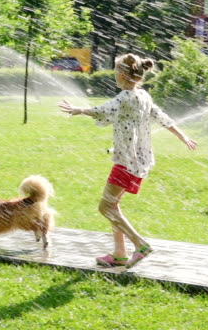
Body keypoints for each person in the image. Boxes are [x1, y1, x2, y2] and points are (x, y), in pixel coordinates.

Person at [58, 53, 197, 268]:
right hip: (140, 160)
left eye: (115, 72)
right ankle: (119, 253)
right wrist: (183, 136)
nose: (115, 76)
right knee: (114, 205)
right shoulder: (143, 96)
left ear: (122, 74)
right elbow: (162, 117)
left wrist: (79, 110)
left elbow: (103, 110)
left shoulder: (125, 97)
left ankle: (140, 244)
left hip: (126, 162)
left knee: (105, 207)